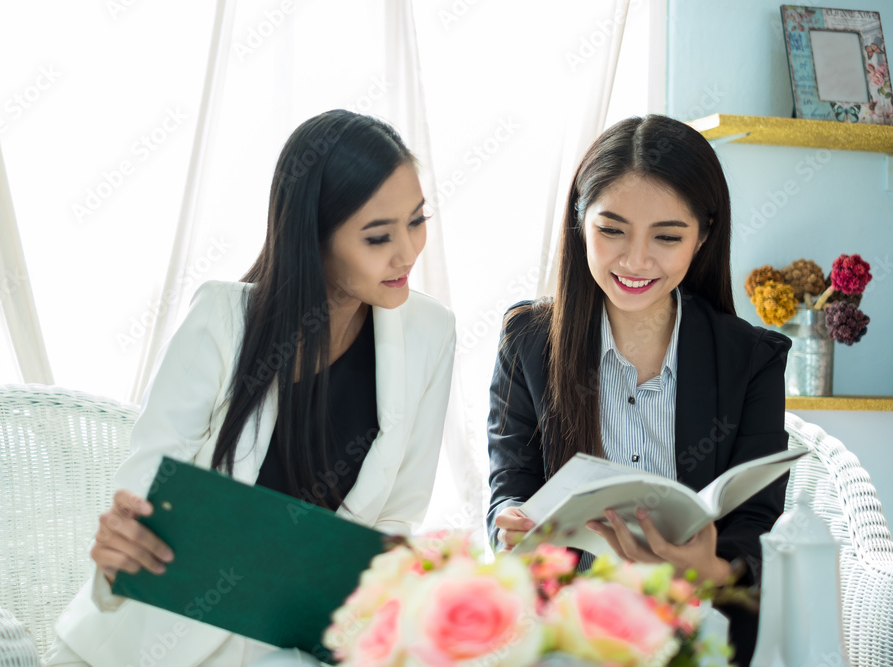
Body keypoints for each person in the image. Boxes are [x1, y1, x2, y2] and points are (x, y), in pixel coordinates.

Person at [45, 110, 456, 666]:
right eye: (378, 236)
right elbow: (150, 487)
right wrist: (125, 537)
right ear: (314, 235)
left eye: (417, 220)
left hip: (304, 644)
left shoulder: (430, 333)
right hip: (166, 636)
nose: (407, 253)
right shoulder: (222, 319)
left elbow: (394, 522)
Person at [486, 114, 790, 666]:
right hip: (566, 637)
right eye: (612, 230)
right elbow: (510, 487)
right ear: (581, 222)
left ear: (702, 237)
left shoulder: (753, 360)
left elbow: (756, 527)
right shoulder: (527, 342)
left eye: (667, 237)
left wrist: (711, 569)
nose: (635, 260)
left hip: (699, 634)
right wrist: (509, 523)